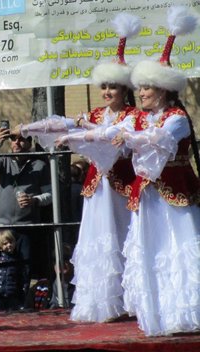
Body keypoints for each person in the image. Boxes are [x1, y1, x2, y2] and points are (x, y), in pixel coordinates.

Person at [46, 14, 143, 322]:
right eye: (103, 88)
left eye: (112, 88)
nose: (106, 93)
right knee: (97, 238)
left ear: (124, 89)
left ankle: (129, 300)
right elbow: (69, 125)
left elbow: (125, 144)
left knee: (122, 235)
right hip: (96, 186)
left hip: (121, 185)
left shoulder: (132, 115)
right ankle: (103, 302)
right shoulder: (95, 113)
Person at [115, 7, 200, 336]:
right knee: (151, 253)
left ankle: (186, 315)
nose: (141, 93)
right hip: (147, 197)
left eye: (147, 88)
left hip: (176, 196)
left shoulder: (176, 117)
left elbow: (160, 139)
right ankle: (160, 316)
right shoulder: (136, 118)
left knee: (178, 251)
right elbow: (109, 133)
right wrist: (69, 130)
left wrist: (130, 136)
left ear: (162, 90)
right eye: (140, 89)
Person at [0, 125, 52, 289]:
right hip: (4, 227)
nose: (17, 143)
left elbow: (50, 195)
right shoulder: (3, 161)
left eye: (21, 139)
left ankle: (23, 299)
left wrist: (34, 200)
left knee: (25, 267)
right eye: (13, 139)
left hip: (27, 227)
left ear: (29, 142)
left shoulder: (40, 164)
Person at [0, 230, 28, 311]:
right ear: (0, 247)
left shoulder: (17, 259)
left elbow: (21, 277)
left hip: (12, 294)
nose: (9, 245)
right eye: (5, 244)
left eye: (11, 242)